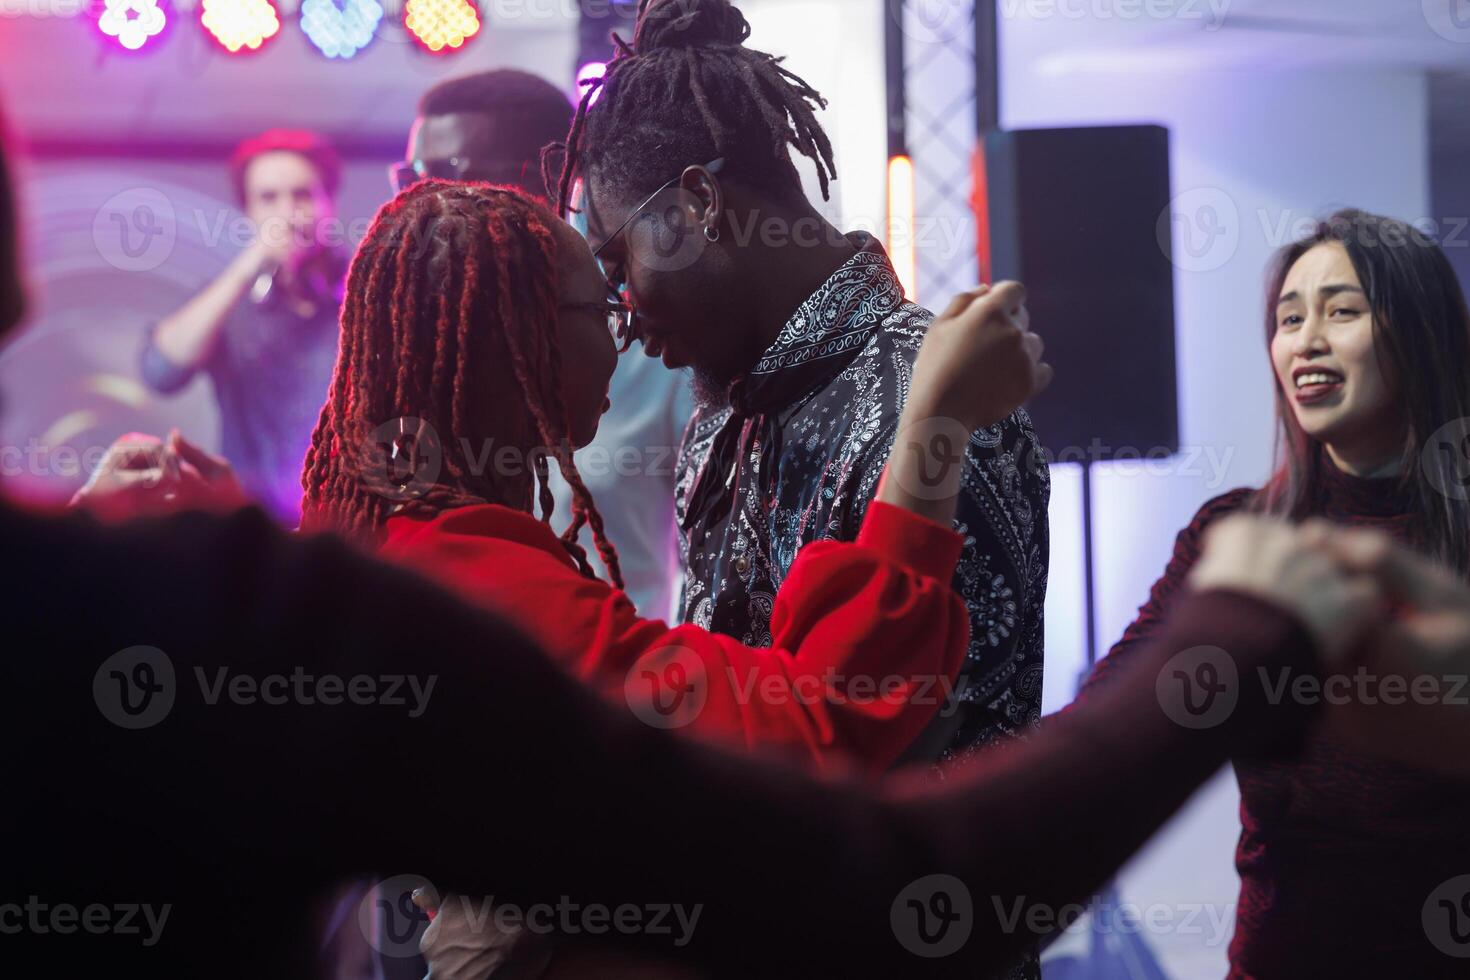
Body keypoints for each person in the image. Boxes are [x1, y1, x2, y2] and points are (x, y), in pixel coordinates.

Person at [1, 99, 1467, 979]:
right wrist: (931, 458)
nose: (624, 316)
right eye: (596, 296)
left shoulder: (377, 566)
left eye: (618, 271)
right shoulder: (449, 568)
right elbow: (816, 749)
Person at [303, 179, 1047, 776]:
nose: (630, 324)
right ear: (524, 338)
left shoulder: (409, 536)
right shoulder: (473, 575)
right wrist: (936, 426)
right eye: (603, 300)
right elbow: (815, 727)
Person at [554, 0, 1051, 773]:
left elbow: (931, 759)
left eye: (618, 266)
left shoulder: (938, 403)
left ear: (697, 208)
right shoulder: (723, 417)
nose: (621, 312)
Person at [1079, 208, 1470, 977]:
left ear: (1420, 333)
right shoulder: (1236, 535)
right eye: (1289, 318)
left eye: (1342, 311)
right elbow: (1109, 712)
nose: (1306, 341)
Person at [394, 69, 694, 618]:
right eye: (408, 176)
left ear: (551, 173)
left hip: (612, 678)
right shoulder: (409, 338)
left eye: (446, 174)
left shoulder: (651, 328)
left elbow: (717, 551)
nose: (419, 199)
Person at [140, 129, 346, 525]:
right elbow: (161, 372)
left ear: (329, 202)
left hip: (352, 531)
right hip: (254, 530)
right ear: (248, 209)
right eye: (268, 198)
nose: (288, 212)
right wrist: (250, 265)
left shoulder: (370, 291)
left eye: (302, 194)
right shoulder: (227, 301)